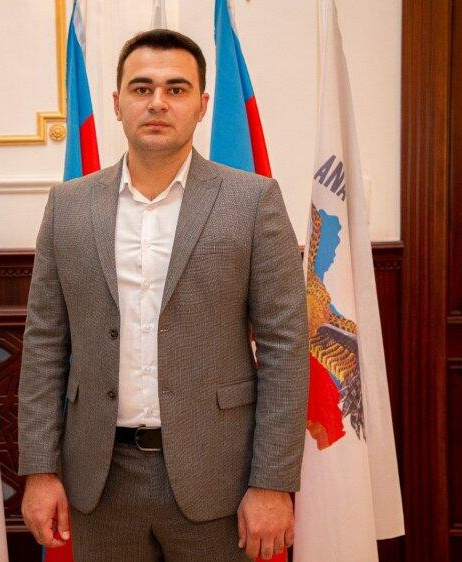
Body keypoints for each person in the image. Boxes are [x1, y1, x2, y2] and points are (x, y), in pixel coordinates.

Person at [17, 29, 308, 561]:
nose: (157, 102)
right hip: (99, 480)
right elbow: (43, 346)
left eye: (176, 89)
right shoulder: (68, 207)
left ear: (202, 105)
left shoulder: (253, 202)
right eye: (141, 88)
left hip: (219, 477)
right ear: (117, 103)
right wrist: (40, 469)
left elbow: (285, 348)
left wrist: (272, 482)